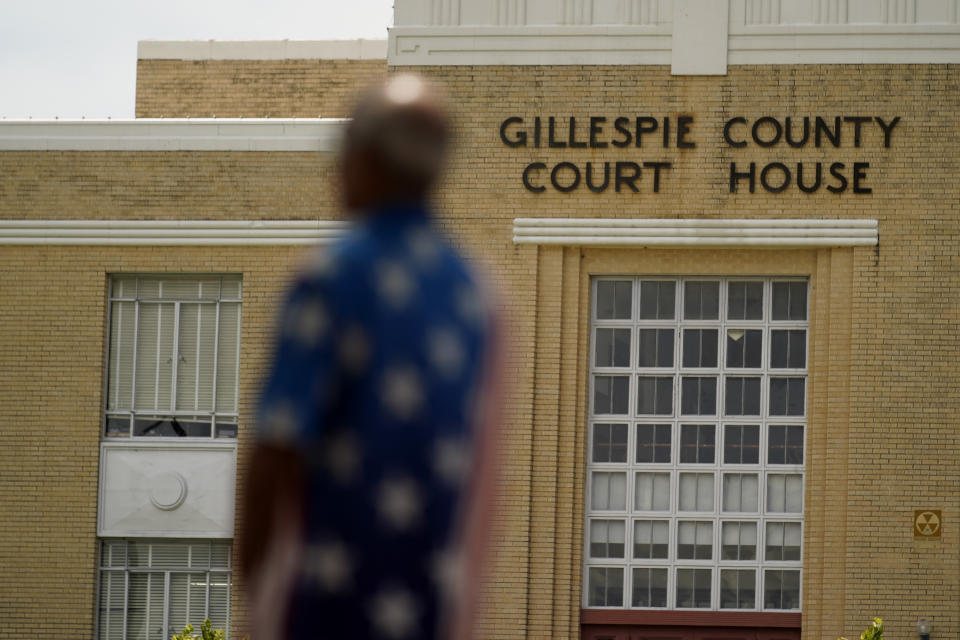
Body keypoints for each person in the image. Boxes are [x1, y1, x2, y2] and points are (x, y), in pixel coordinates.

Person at [240, 74, 498, 640]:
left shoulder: (328, 276)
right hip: (429, 611)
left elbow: (275, 449)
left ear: (364, 161)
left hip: (322, 610)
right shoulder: (480, 295)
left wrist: (252, 591)